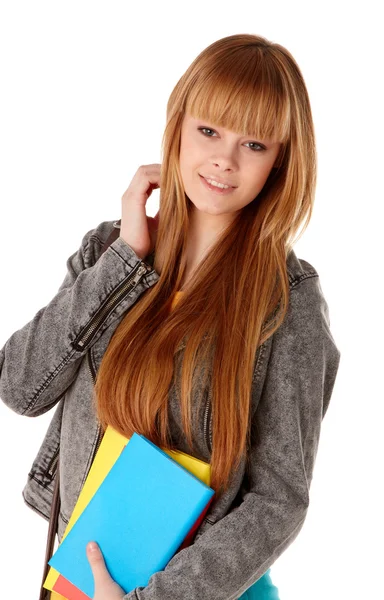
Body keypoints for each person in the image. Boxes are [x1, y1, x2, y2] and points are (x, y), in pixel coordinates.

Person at [0, 33, 341, 600]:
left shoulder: (289, 302)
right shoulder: (109, 254)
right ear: (178, 125)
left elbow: (279, 499)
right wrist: (122, 260)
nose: (223, 160)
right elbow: (19, 387)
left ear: (281, 160)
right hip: (81, 582)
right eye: (209, 130)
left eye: (254, 144)